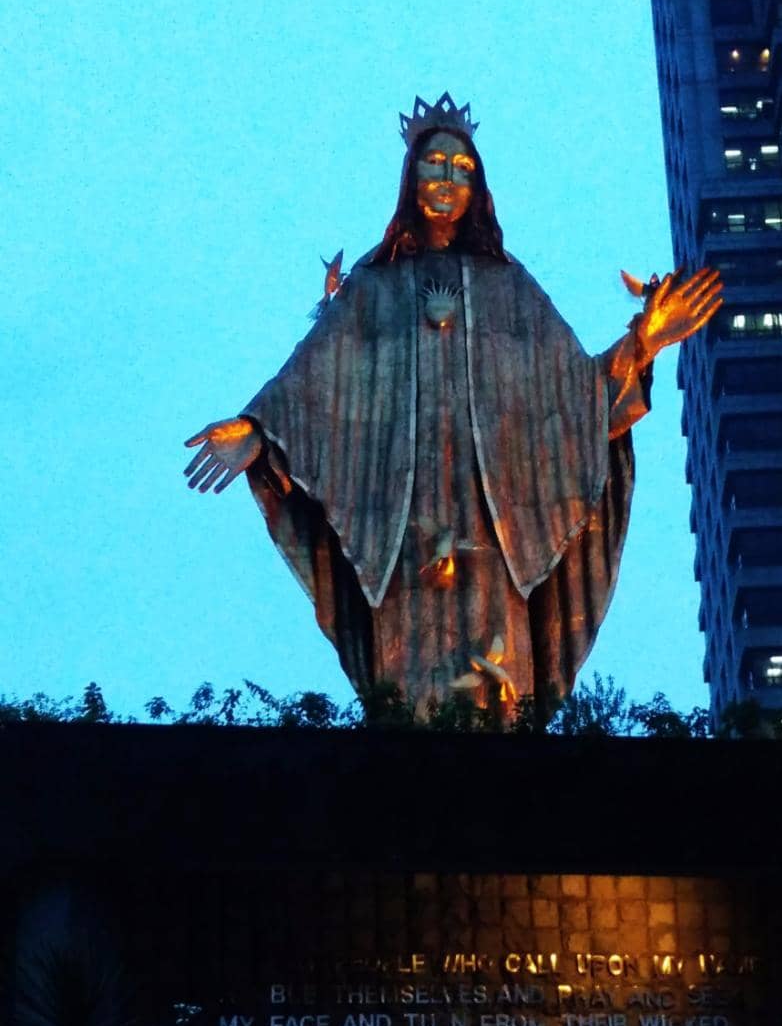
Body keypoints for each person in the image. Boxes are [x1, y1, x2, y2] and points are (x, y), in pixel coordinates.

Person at [185, 93, 721, 721]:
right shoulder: (374, 284)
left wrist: (643, 342)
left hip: (493, 535)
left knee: (498, 694)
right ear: (410, 177)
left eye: (461, 168)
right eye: (434, 164)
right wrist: (259, 428)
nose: (446, 179)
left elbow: (576, 395)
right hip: (404, 533)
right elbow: (315, 379)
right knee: (410, 699)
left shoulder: (509, 287)